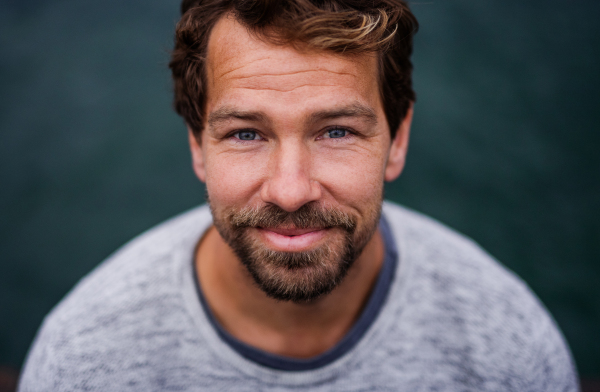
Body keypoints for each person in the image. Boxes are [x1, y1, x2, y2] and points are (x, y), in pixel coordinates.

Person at [19, 0, 579, 390]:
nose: (290, 192)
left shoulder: (508, 347)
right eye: (245, 133)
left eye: (336, 131)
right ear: (196, 145)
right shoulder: (84, 361)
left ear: (398, 138)